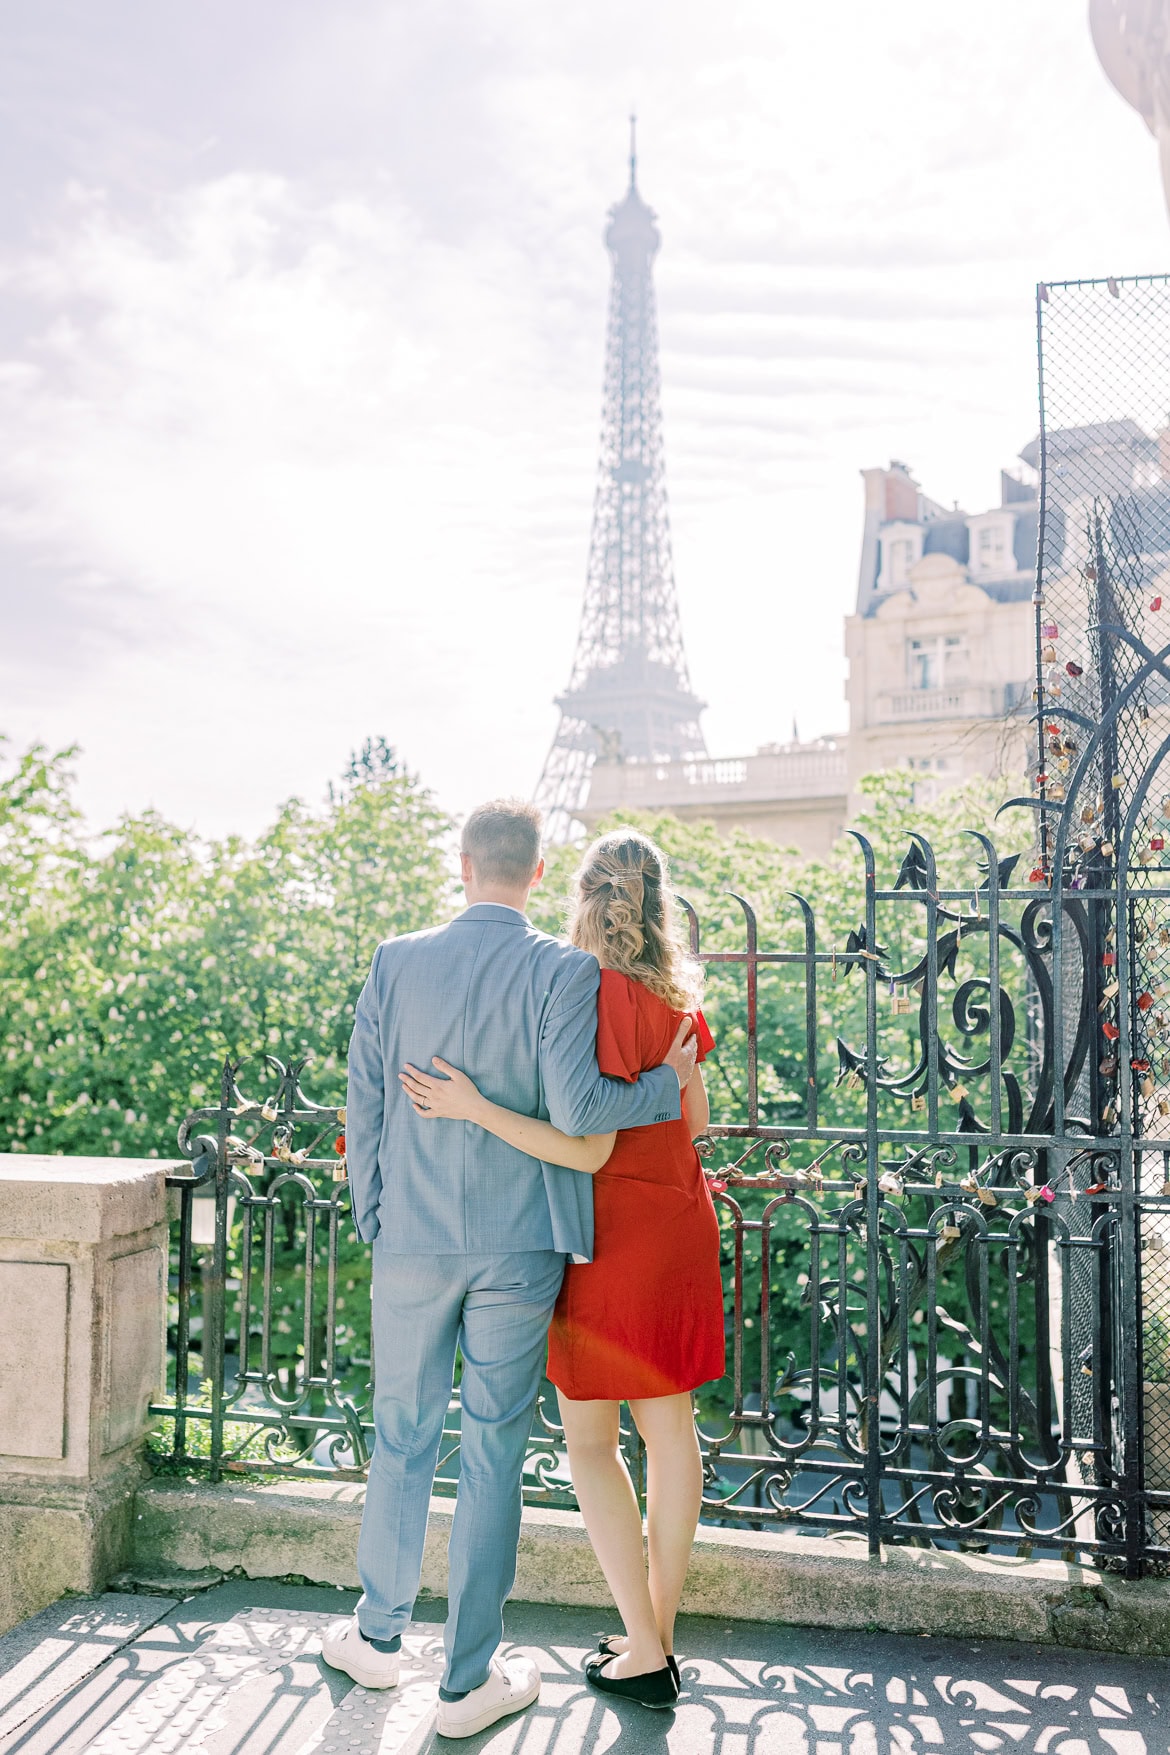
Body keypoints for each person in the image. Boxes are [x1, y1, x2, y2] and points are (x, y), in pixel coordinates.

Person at [321, 800, 696, 1740]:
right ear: (535, 875)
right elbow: (579, 1107)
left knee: (401, 1433)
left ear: (461, 864)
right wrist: (668, 1079)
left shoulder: (395, 960)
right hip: (522, 1244)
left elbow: (364, 1094)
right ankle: (466, 1680)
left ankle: (375, 1635)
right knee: (493, 1450)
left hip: (408, 1233)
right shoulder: (561, 969)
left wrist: (374, 1208)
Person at [402, 828, 724, 1714]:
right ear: (659, 904)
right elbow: (693, 1130)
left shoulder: (577, 992)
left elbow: (582, 1146)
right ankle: (653, 1634)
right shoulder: (680, 1003)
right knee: (671, 1432)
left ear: (580, 896)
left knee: (590, 1442)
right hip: (679, 1224)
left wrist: (472, 1106)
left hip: (603, 1236)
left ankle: (648, 1646)